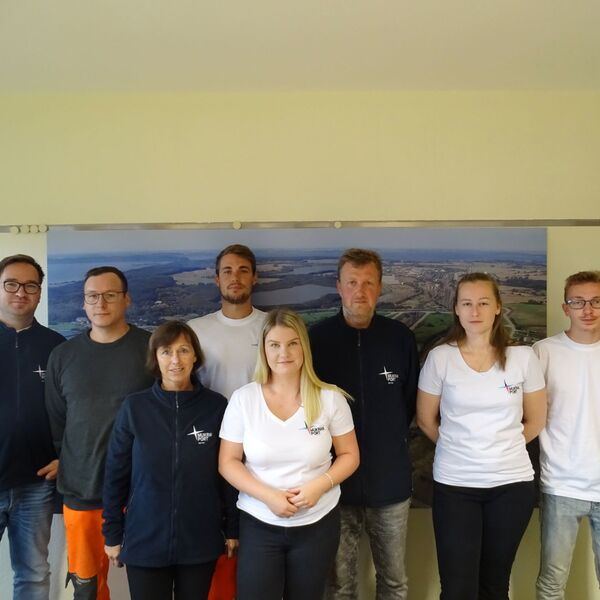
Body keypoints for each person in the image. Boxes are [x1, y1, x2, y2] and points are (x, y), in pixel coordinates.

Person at [416, 272, 547, 600]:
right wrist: (461, 448)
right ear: (456, 309)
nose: (475, 311)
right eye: (467, 303)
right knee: (457, 588)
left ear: (498, 307)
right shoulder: (440, 358)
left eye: (483, 303)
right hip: (455, 487)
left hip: (511, 487)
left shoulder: (523, 358)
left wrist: (500, 447)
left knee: (494, 586)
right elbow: (426, 420)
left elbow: (536, 420)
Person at [219, 308, 359, 600]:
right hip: (259, 523)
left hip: (317, 524)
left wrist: (319, 486)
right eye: (275, 345)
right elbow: (228, 462)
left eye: (292, 343)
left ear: (304, 347)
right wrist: (269, 496)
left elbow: (349, 455)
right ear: (264, 350)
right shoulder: (244, 400)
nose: (284, 352)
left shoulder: (330, 398)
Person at [309, 248, 419, 600]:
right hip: (334, 486)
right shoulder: (316, 340)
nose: (360, 291)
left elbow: (409, 403)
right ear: (338, 287)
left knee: (394, 581)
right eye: (352, 282)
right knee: (339, 585)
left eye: (369, 283)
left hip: (390, 485)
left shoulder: (400, 338)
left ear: (380, 287)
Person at [102, 320, 238, 600]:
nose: (175, 360)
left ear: (195, 356)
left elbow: (229, 472)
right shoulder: (135, 408)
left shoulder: (216, 407)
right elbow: (115, 473)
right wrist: (112, 533)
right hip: (145, 540)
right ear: (156, 358)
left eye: (183, 350)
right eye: (166, 351)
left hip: (200, 539)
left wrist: (232, 528)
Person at [45, 266, 153, 600]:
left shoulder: (151, 349)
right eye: (92, 296)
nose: (100, 303)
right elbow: (58, 422)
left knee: (152, 584)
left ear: (127, 299)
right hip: (83, 489)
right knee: (87, 588)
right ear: (83, 302)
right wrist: (64, 459)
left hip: (142, 493)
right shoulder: (63, 356)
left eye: (110, 295)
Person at [0, 254, 65, 600]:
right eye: (11, 284)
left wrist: (66, 457)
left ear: (40, 293)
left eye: (30, 286)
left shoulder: (56, 347)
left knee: (33, 573)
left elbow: (75, 411)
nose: (20, 293)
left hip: (36, 483)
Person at [534, 270, 600, 599]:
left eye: (596, 301)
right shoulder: (543, 352)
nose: (587, 309)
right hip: (560, 484)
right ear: (566, 308)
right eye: (578, 302)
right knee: (552, 582)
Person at [188, 244, 266, 400]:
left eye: (243, 270)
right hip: (211, 415)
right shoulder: (194, 330)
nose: (235, 278)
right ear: (217, 279)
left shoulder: (272, 326)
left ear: (254, 277)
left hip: (260, 416)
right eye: (227, 271)